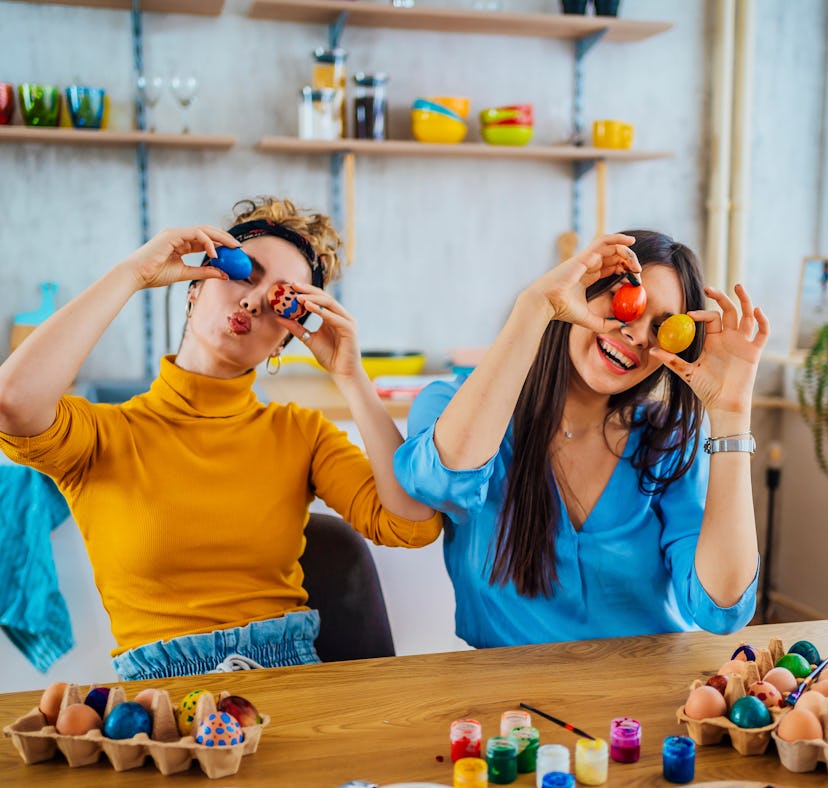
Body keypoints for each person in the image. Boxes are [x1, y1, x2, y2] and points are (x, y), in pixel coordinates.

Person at [0, 196, 442, 680]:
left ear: (283, 343)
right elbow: (13, 402)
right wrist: (132, 274)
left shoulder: (302, 434)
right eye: (243, 275)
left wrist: (350, 375)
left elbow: (412, 523)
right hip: (161, 708)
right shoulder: (105, 436)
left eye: (281, 300)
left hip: (294, 685)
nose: (252, 301)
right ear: (194, 290)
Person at [394, 231, 769, 648]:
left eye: (663, 329)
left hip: (641, 695)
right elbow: (439, 484)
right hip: (505, 700)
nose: (639, 336)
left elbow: (721, 607)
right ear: (582, 292)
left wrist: (732, 413)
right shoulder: (453, 406)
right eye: (630, 303)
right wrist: (535, 308)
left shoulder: (668, 440)